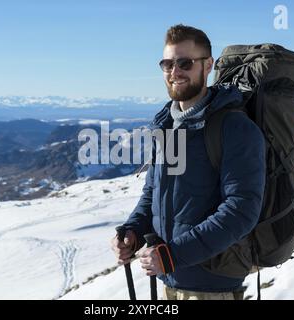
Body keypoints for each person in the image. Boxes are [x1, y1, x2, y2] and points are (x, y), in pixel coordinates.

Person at [111, 24, 265, 300]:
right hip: (172, 280)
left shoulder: (234, 128)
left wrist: (173, 256)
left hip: (212, 286)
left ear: (208, 66)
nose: (174, 71)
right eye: (167, 63)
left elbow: (241, 209)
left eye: (185, 63)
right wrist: (133, 232)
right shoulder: (169, 128)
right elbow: (153, 197)